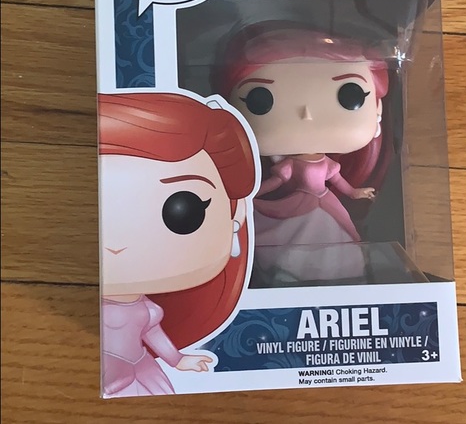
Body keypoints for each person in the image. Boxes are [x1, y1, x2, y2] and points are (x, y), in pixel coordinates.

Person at [98, 92, 257, 397]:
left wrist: (178, 360)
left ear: (235, 213)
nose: (116, 244)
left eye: (183, 211)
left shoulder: (146, 309)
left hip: (142, 371)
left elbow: (153, 334)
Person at [216, 22, 392, 285]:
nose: (306, 113)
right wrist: (249, 195)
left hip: (325, 204)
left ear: (378, 109)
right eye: (260, 100)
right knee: (294, 245)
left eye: (349, 95)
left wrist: (356, 193)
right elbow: (275, 183)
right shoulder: (290, 166)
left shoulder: (327, 164)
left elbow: (339, 183)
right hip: (299, 208)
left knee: (339, 241)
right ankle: (292, 272)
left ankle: (341, 271)